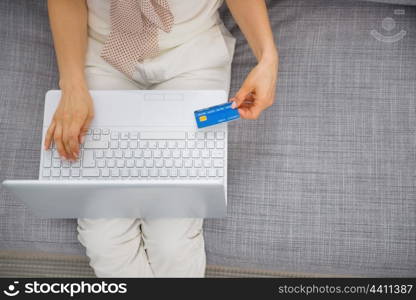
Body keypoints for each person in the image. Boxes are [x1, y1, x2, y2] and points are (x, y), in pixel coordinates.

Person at [44, 0, 278, 277]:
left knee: (172, 240)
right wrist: (72, 84)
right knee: (103, 237)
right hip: (101, 52)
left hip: (192, 52)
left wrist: (268, 58)